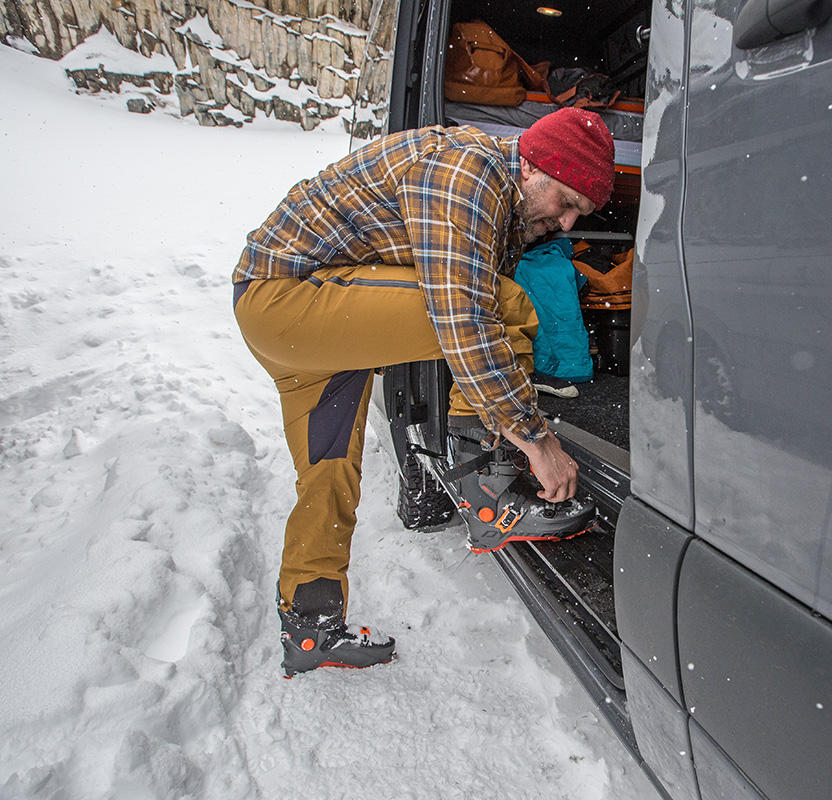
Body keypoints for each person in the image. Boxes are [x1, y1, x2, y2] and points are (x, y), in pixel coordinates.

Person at [231, 108, 614, 677]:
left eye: (578, 214)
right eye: (567, 202)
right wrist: (536, 441)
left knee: (329, 471)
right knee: (502, 306)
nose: (564, 224)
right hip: (291, 297)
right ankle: (487, 492)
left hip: (281, 318)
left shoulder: (501, 201)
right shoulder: (471, 172)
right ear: (534, 169)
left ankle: (309, 629)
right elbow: (465, 319)